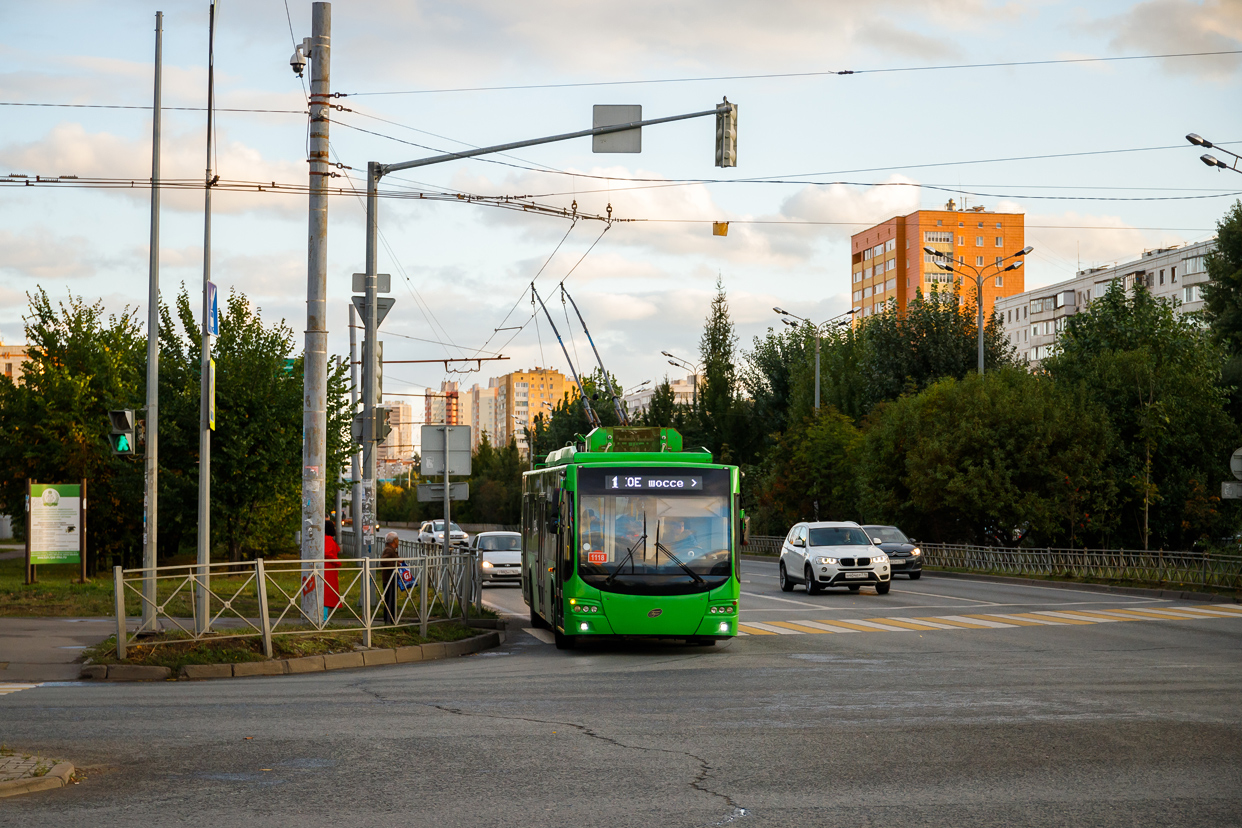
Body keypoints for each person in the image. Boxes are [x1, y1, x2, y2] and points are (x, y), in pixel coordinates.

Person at [323, 520, 345, 621]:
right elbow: (327, 553)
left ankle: (324, 617)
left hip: (327, 569)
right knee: (327, 594)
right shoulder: (328, 539)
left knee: (326, 593)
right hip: (328, 570)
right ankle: (323, 618)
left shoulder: (325, 539)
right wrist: (337, 562)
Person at [381, 531, 400, 624]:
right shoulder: (389, 550)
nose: (398, 541)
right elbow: (384, 561)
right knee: (389, 601)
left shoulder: (391, 549)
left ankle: (391, 620)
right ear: (393, 541)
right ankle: (389, 621)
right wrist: (396, 564)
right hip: (389, 579)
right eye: (397, 539)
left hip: (391, 579)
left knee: (391, 600)